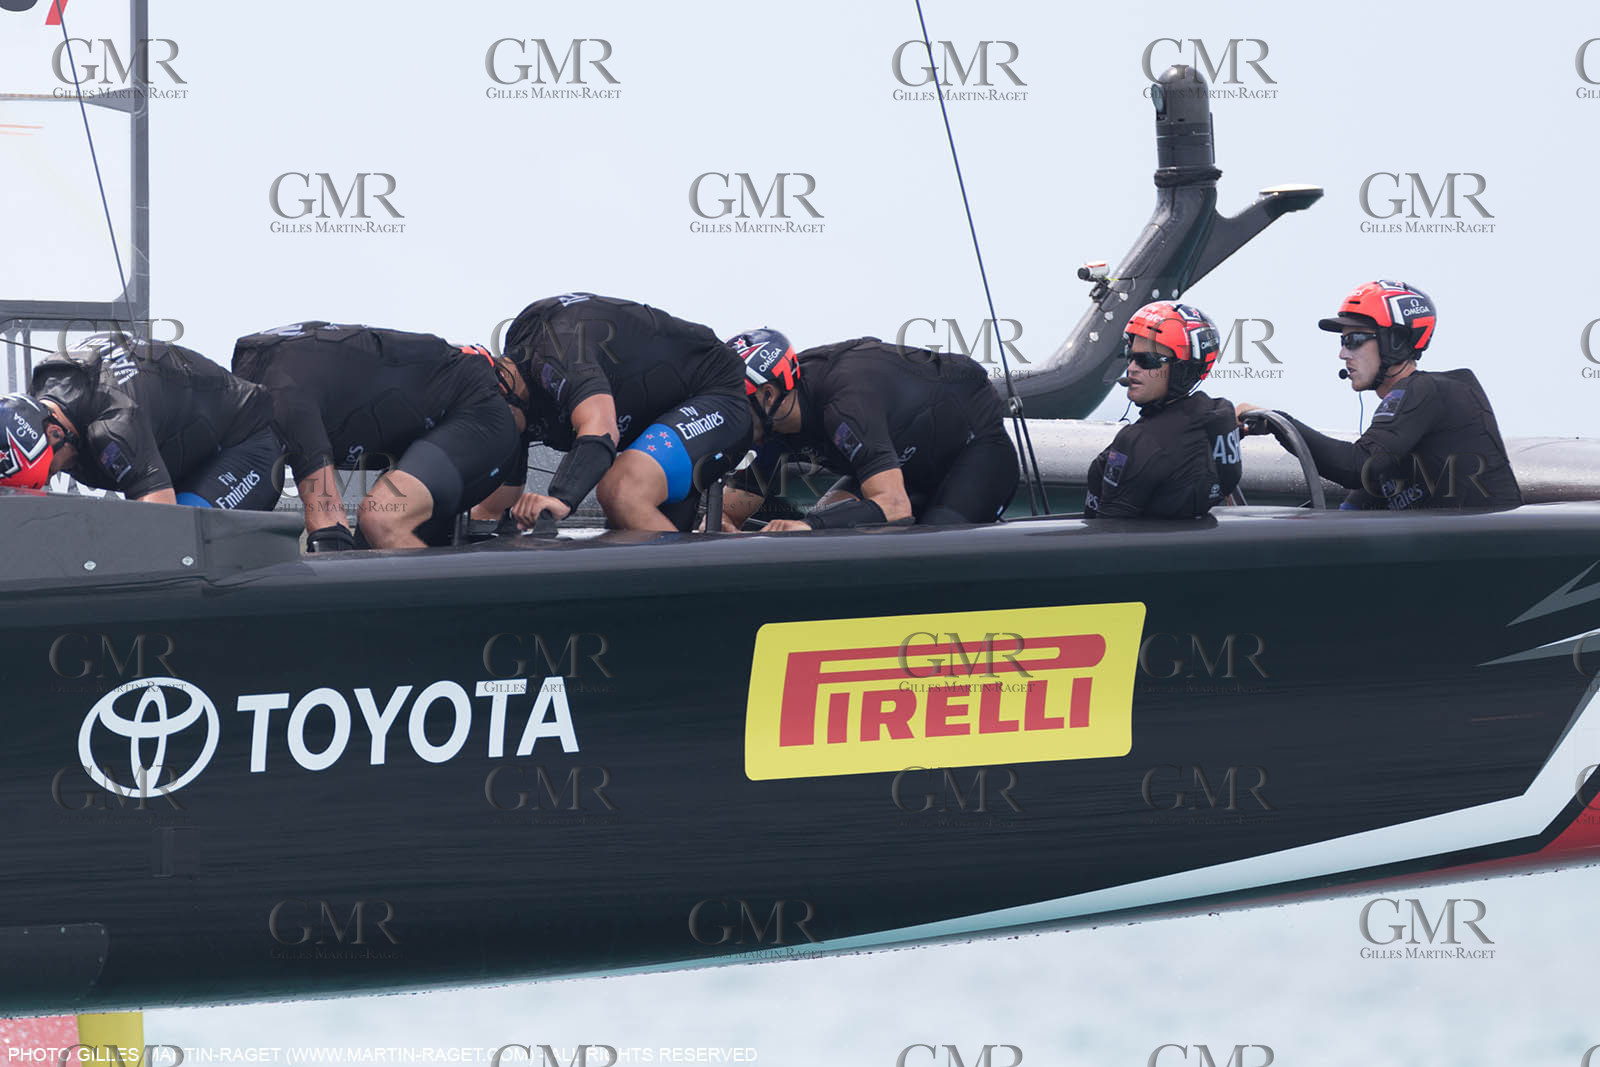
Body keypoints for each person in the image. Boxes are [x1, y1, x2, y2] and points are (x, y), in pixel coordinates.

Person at [470, 293, 753, 532]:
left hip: (717, 394)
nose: (496, 438)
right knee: (628, 535)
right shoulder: (515, 393)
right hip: (661, 417)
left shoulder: (557, 352)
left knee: (622, 491)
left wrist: (562, 498)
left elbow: (601, 427)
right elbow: (495, 506)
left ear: (505, 395)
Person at [232, 321, 520, 550]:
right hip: (433, 421)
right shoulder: (257, 378)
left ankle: (449, 620)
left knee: (381, 519)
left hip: (482, 408)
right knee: (370, 546)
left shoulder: (282, 401)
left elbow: (328, 520)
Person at [1235, 280, 1521, 510]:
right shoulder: (1401, 433)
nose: (1343, 353)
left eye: (1354, 340)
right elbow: (1352, 508)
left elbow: (1357, 467)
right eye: (1342, 341)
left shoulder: (1426, 391)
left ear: (1394, 342)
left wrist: (1277, 422)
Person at [717, 332, 1019, 530]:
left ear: (768, 395)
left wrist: (810, 527)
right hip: (902, 466)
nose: (730, 417)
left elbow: (894, 507)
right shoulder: (774, 422)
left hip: (974, 451)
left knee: (930, 543)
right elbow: (734, 509)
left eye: (736, 404)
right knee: (823, 528)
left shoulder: (844, 404)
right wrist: (719, 523)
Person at [0, 333, 283, 511]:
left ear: (54, 433)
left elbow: (163, 532)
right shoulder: (44, 390)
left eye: (50, 470)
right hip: (177, 454)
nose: (53, 477)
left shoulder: (114, 426)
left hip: (244, 445)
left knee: (188, 538)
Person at [1083, 302, 1241, 519]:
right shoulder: (1221, 415)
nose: (1131, 368)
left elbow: (1108, 536)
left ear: (1182, 370)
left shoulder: (1139, 442)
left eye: (1146, 360)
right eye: (1130, 356)